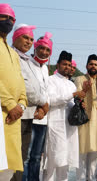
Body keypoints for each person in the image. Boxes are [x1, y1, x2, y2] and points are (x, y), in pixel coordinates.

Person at [43, 51, 89, 181]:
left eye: (69, 65)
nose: (67, 67)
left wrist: (80, 104)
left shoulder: (71, 84)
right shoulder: (50, 80)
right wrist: (74, 95)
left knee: (65, 163)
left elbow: (70, 103)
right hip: (55, 125)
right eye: (64, 64)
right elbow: (51, 100)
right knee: (52, 161)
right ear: (57, 65)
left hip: (69, 127)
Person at [11, 24, 48, 181]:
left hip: (28, 115)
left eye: (31, 39)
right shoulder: (13, 56)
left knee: (21, 156)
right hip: (15, 114)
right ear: (16, 37)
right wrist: (43, 102)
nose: (28, 42)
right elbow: (24, 86)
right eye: (25, 37)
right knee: (13, 158)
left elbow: (36, 86)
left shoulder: (25, 59)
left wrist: (42, 104)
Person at [0, 3, 27, 179]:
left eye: (12, 18)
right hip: (4, 112)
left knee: (9, 167)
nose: (8, 21)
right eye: (4, 17)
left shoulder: (13, 53)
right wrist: (10, 105)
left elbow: (20, 84)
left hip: (14, 116)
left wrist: (21, 106)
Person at [24, 32, 53, 181]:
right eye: (41, 48)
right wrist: (40, 108)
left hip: (43, 120)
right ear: (35, 48)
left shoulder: (45, 69)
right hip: (30, 116)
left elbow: (46, 92)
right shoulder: (27, 63)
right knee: (27, 157)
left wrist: (44, 110)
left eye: (47, 50)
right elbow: (28, 89)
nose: (44, 52)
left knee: (36, 157)